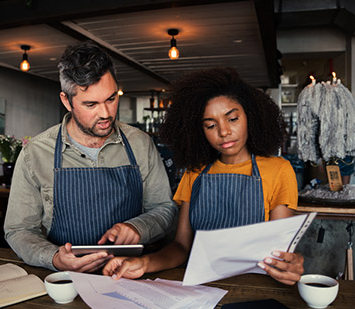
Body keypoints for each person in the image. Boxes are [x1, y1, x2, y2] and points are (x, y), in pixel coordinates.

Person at [103, 67, 304, 285]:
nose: (223, 131)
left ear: (251, 117)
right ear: (199, 130)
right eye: (210, 125)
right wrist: (144, 263)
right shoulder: (195, 172)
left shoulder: (278, 170)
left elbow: (279, 253)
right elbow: (181, 247)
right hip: (200, 288)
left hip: (254, 288)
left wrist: (290, 265)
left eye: (233, 119)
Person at [4, 41, 177, 272]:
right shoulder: (34, 153)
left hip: (129, 275)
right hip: (64, 279)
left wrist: (138, 228)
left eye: (111, 99)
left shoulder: (140, 144)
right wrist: (54, 257)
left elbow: (165, 208)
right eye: (90, 104)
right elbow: (18, 230)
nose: (105, 113)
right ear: (67, 101)